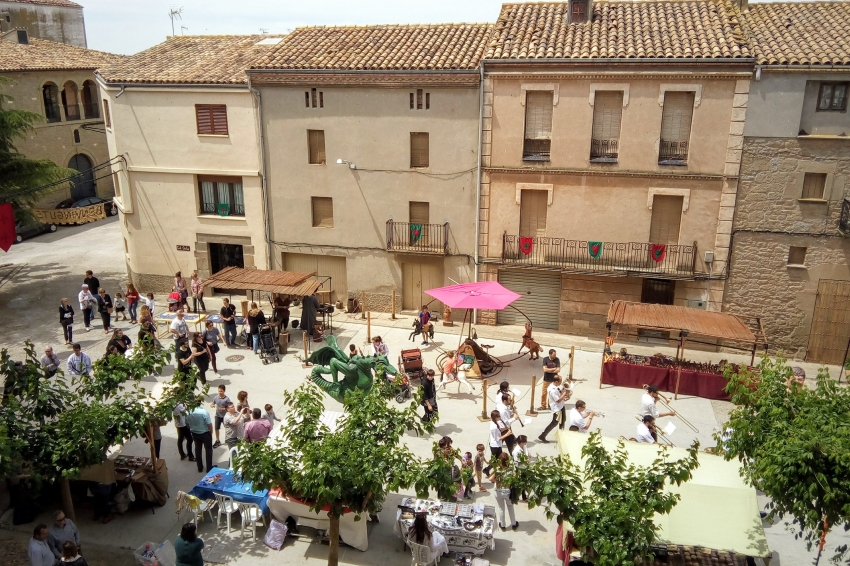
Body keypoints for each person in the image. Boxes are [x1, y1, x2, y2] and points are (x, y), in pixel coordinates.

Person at [489, 452, 518, 531]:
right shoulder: (510, 469)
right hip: (508, 492)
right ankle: (514, 523)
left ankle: (502, 525)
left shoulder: (497, 470)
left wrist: (497, 481)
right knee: (510, 507)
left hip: (498, 491)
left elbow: (490, 479)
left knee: (501, 508)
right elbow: (515, 478)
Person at [538, 375, 570, 443]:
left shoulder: (556, 386)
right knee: (554, 423)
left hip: (561, 406)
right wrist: (564, 394)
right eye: (560, 381)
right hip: (557, 408)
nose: (561, 383)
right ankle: (543, 435)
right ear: (556, 381)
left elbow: (559, 394)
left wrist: (565, 393)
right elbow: (558, 400)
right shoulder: (552, 390)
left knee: (562, 421)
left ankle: (561, 436)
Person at [186, 405, 213, 473]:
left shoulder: (187, 412)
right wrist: (211, 432)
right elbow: (209, 424)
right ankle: (209, 468)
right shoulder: (204, 412)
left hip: (195, 433)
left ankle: (199, 467)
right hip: (205, 433)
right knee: (208, 450)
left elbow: (187, 424)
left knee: (198, 450)